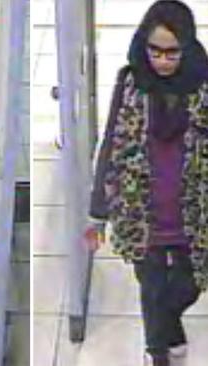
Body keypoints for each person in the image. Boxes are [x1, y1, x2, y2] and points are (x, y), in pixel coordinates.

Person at [85, 1, 208, 365]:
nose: (163, 61)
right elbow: (110, 143)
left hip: (194, 213)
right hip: (141, 212)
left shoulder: (203, 85)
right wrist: (98, 212)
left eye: (173, 52)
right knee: (152, 289)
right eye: (156, 50)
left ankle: (166, 325)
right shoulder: (130, 81)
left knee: (189, 286)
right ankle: (157, 353)